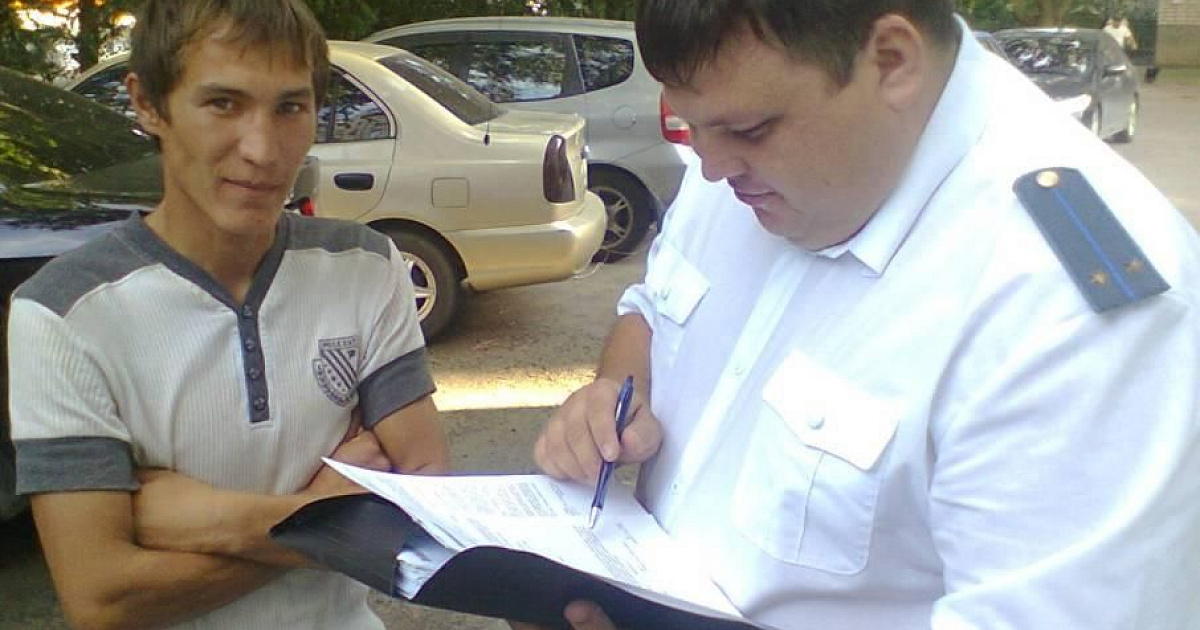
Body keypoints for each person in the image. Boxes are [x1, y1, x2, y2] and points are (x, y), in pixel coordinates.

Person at [528, 1, 1200, 629]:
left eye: (749, 131)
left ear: (892, 61)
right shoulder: (743, 154)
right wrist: (617, 392)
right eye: (688, 126)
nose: (710, 169)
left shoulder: (1072, 314)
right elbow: (654, 309)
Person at [6, 1, 448, 629]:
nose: (263, 150)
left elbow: (424, 495)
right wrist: (318, 516)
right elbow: (101, 598)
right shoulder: (62, 314)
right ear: (147, 104)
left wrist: (200, 518)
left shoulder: (365, 267)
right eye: (223, 103)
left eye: (290, 107)